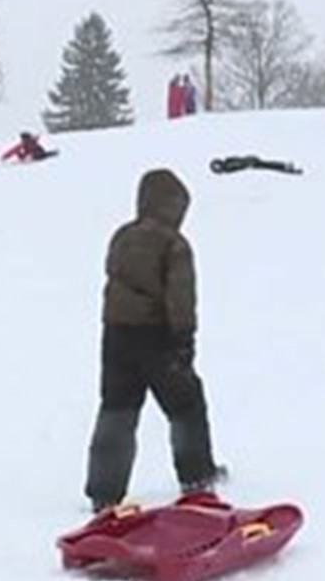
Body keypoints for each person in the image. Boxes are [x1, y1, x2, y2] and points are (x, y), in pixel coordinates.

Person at [83, 168, 227, 513]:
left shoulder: (122, 235)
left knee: (117, 409)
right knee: (186, 405)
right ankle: (196, 477)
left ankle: (104, 491)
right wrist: (184, 340)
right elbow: (181, 296)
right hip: (158, 335)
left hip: (116, 335)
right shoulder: (174, 245)